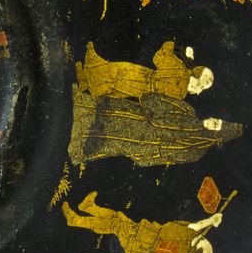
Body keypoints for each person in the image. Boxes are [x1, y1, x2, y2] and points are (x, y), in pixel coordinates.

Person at [68, 89, 241, 167]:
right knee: (108, 115)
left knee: (107, 138)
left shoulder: (195, 152)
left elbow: (165, 157)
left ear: (215, 135)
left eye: (215, 124)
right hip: (138, 120)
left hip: (141, 141)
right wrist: (151, 106)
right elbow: (156, 100)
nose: (212, 120)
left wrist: (144, 153)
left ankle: (77, 138)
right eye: (217, 119)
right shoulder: (189, 111)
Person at [62, 191, 221, 253]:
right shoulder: (187, 247)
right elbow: (195, 227)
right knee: (117, 217)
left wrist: (207, 222)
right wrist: (209, 221)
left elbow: (169, 230)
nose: (200, 235)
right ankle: (88, 207)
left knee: (114, 224)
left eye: (201, 239)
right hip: (142, 234)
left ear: (196, 248)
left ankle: (76, 220)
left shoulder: (183, 252)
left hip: (140, 241)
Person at [76, 40, 213, 100]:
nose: (198, 92)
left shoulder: (181, 70)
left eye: (201, 87)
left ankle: (88, 76)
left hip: (143, 79)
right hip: (145, 91)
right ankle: (86, 81)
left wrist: (173, 45)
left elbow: (158, 58)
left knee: (116, 73)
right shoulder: (182, 94)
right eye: (200, 86)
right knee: (117, 88)